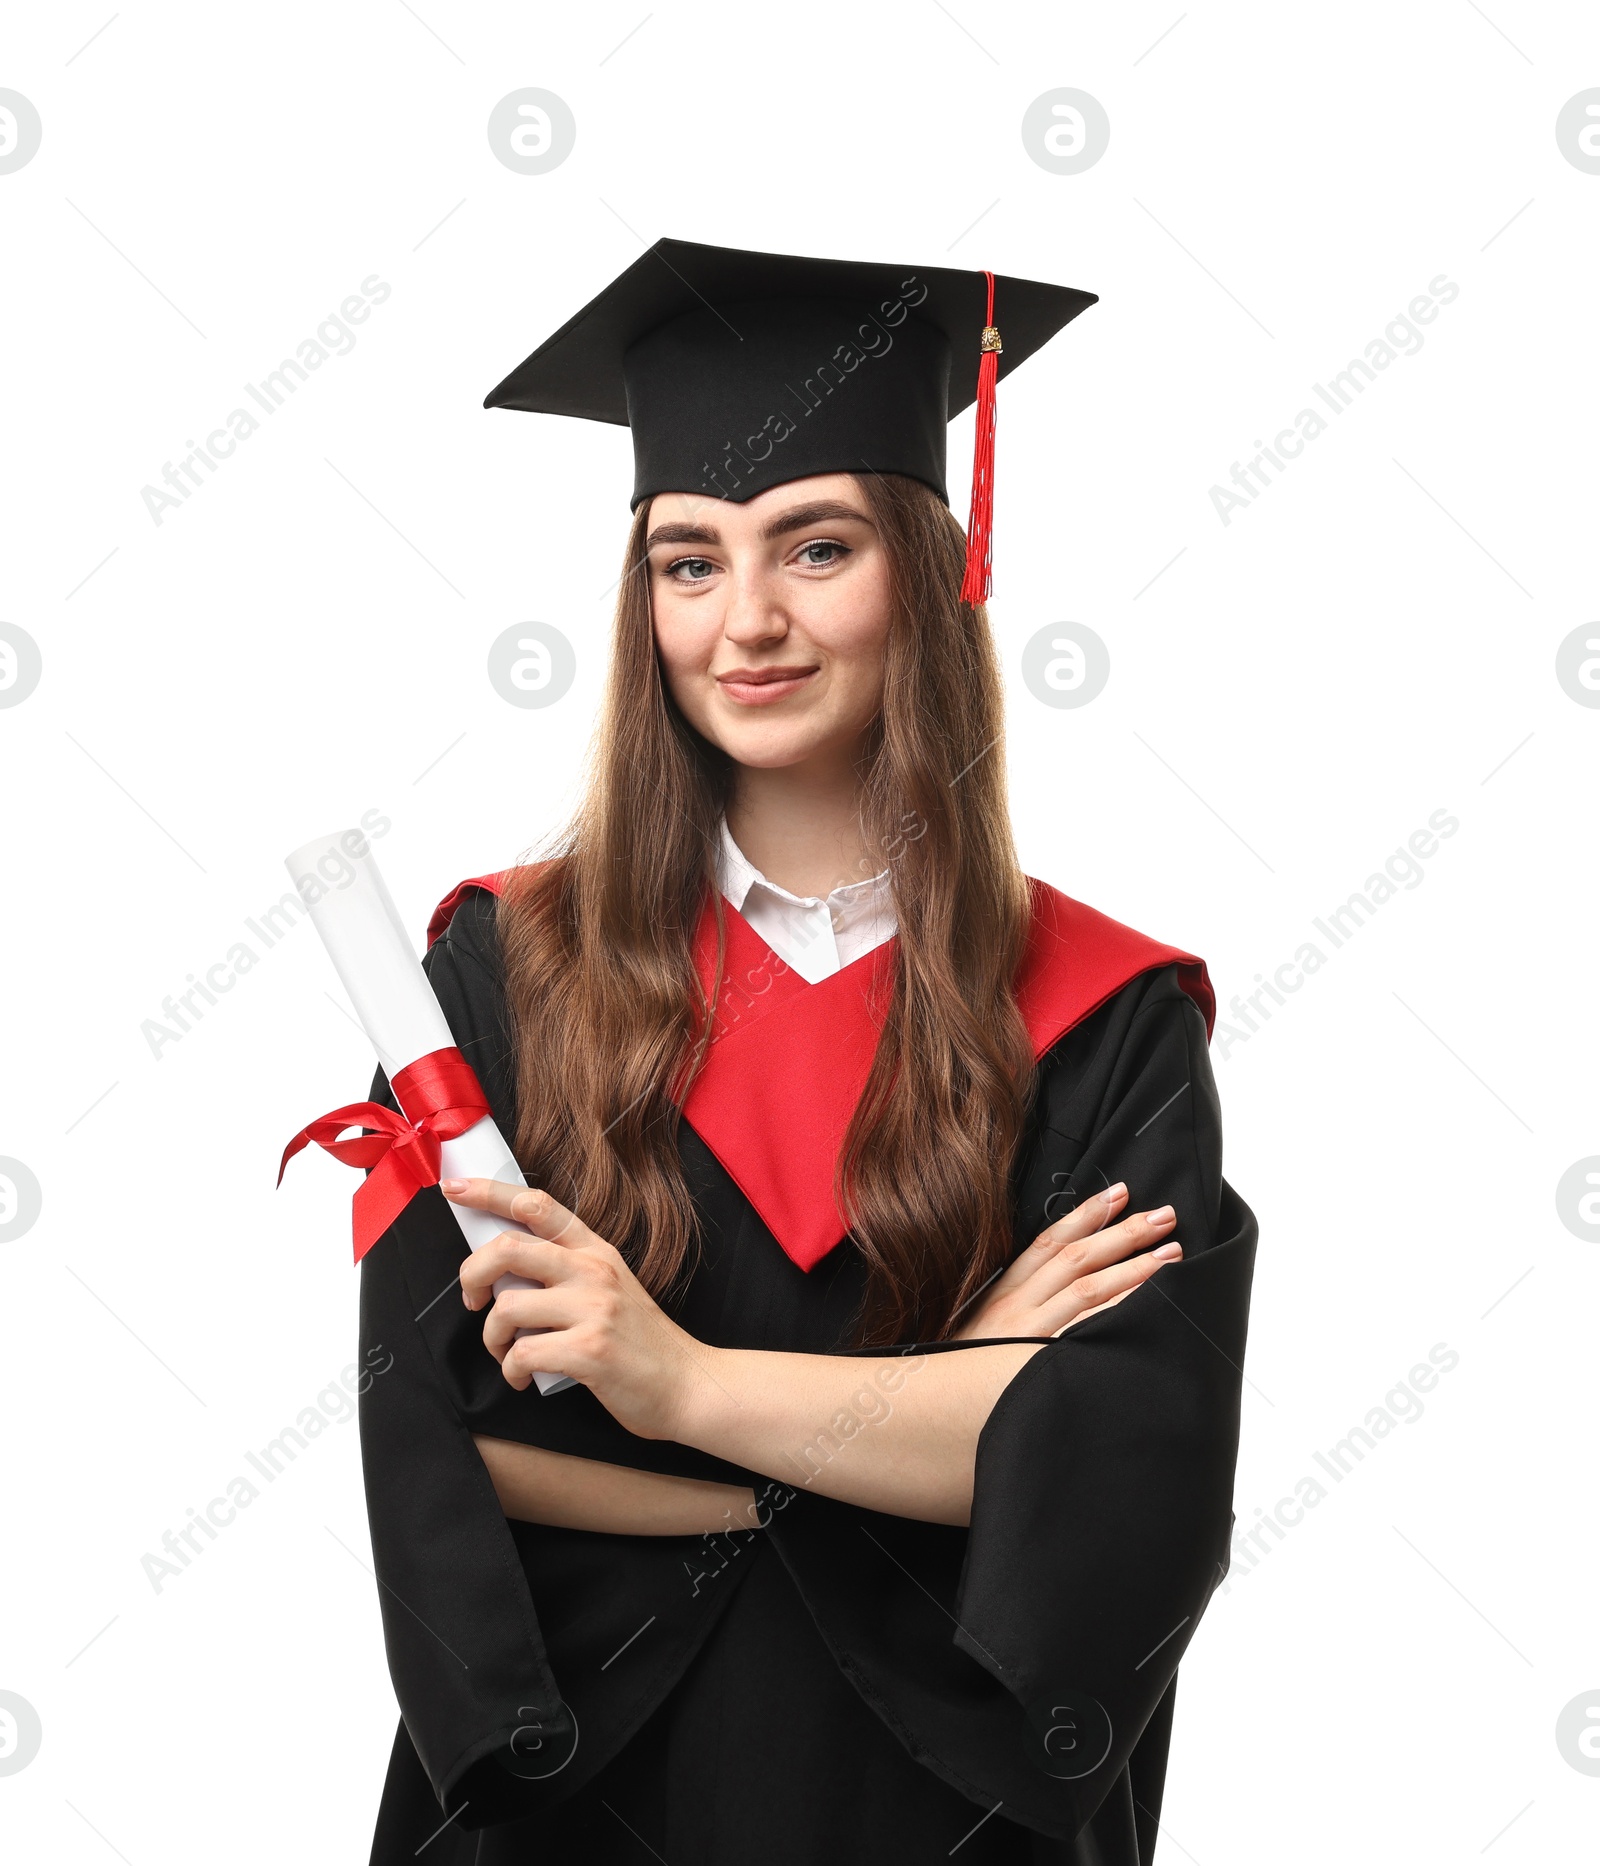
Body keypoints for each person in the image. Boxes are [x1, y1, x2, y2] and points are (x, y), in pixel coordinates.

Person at [348, 241, 1257, 1864]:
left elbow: (1129, 1494)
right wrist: (940, 1416)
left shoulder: (1113, 1019)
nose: (745, 620)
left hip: (944, 1815)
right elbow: (455, 1430)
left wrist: (679, 1384)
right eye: (687, 563)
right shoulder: (499, 968)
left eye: (815, 546)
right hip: (587, 1808)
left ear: (929, 564)